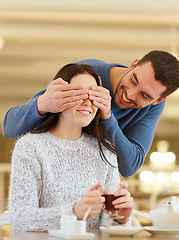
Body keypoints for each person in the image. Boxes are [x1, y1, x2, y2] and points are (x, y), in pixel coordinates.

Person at [3, 50, 179, 177]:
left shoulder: (153, 106)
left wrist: (107, 117)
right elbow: (9, 128)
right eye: (133, 80)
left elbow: (129, 167)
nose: (129, 94)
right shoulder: (85, 75)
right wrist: (42, 104)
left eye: (145, 95)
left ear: (158, 100)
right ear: (133, 65)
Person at [9, 64, 134, 233]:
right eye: (78, 94)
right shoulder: (30, 148)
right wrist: (74, 212)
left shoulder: (105, 152)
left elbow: (107, 228)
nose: (87, 102)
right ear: (58, 97)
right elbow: (19, 219)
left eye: (93, 95)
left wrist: (121, 218)